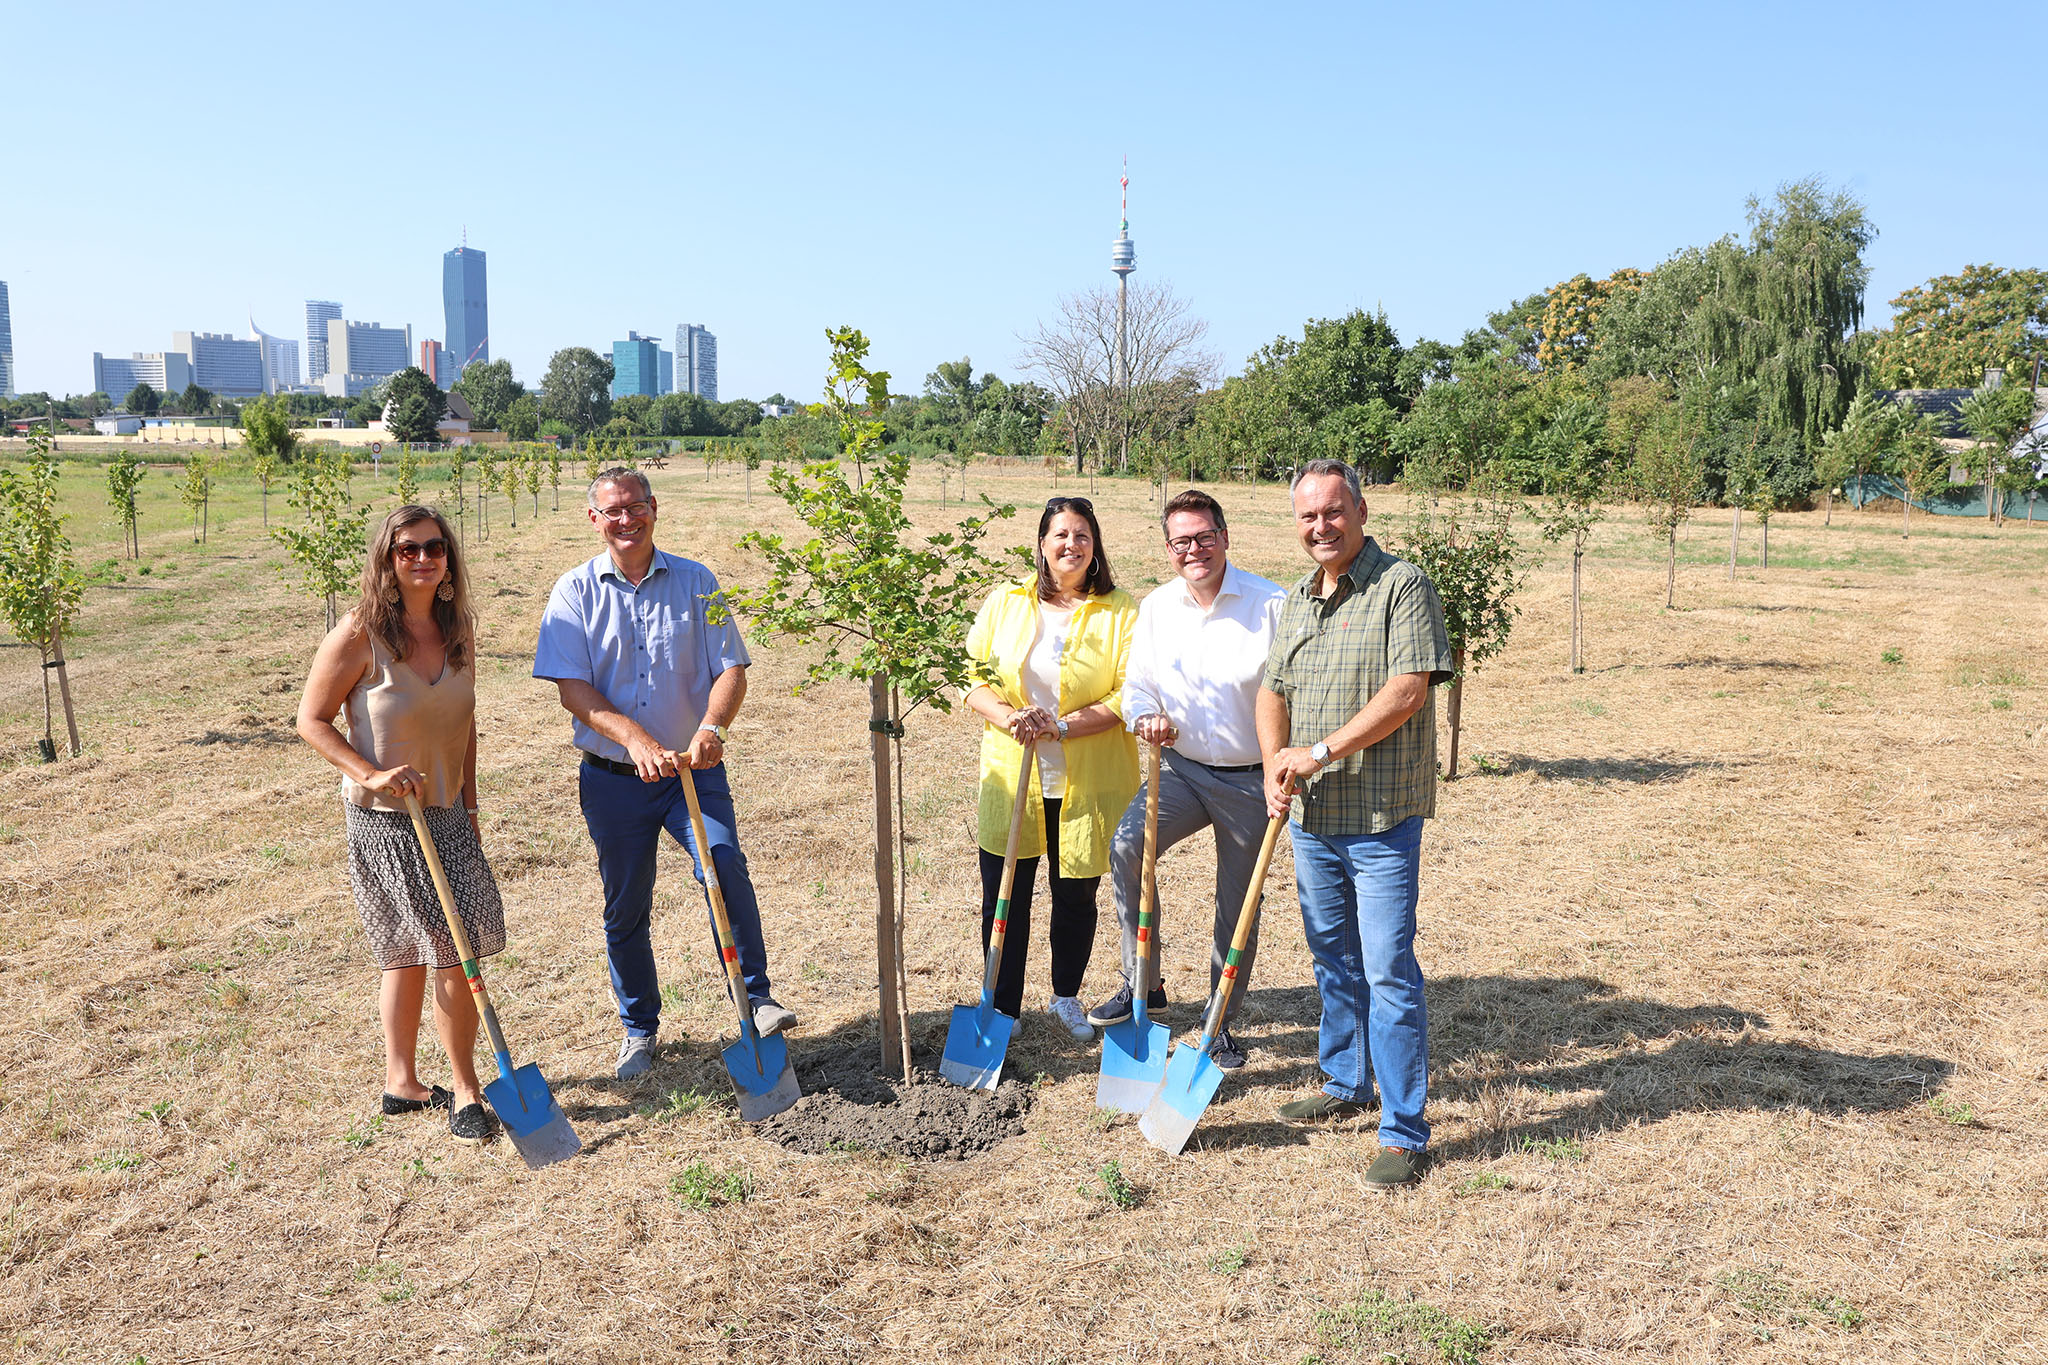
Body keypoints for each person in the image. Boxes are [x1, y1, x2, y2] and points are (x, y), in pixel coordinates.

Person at [532, 467, 794, 1081]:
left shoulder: (697, 581)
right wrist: (637, 741)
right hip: (614, 780)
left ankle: (755, 1000)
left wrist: (711, 729)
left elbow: (731, 668)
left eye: (636, 507)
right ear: (594, 520)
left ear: (655, 508)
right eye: (613, 511)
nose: (626, 520)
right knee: (626, 906)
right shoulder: (572, 592)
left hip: (690, 776)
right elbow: (573, 690)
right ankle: (639, 1030)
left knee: (723, 863)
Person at [1258, 458, 1454, 1191]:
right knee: (1332, 961)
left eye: (1333, 512)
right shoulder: (1299, 599)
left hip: (1378, 820)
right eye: (1308, 516)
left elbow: (1407, 690)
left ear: (1361, 511)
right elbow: (1273, 687)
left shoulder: (1402, 585)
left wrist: (1319, 750)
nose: (1321, 527)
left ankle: (1403, 1133)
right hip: (1312, 818)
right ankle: (1345, 1081)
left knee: (1387, 971)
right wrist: (1273, 761)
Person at [296, 504, 500, 1145]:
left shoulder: (457, 627)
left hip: (447, 813)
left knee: (415, 948)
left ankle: (402, 1083)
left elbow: (465, 721)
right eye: (406, 549)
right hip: (390, 822)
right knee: (447, 947)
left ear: (448, 559)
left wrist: (469, 798)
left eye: (433, 547)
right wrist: (370, 773)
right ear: (387, 558)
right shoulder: (360, 634)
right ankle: (466, 1090)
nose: (421, 558)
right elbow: (312, 719)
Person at [1085, 490, 1285, 1069]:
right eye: (1181, 542)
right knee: (1126, 847)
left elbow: (1291, 694)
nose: (1193, 549)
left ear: (1225, 537)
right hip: (1183, 770)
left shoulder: (1270, 604)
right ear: (1168, 548)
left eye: (1203, 537)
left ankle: (1219, 1021)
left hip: (1252, 780)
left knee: (1237, 903)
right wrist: (1145, 714)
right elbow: (1138, 683)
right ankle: (1140, 982)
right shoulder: (1158, 608)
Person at [962, 495, 1140, 1038]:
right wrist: (1013, 717)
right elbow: (972, 675)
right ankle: (1002, 1005)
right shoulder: (1006, 602)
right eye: (1060, 535)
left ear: (1095, 546)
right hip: (1013, 773)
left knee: (1075, 894)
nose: (1071, 545)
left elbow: (1128, 692)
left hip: (1087, 777)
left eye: (1082, 535)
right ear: (1041, 544)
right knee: (1005, 891)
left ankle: (1066, 995)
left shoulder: (1121, 608)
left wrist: (1060, 727)